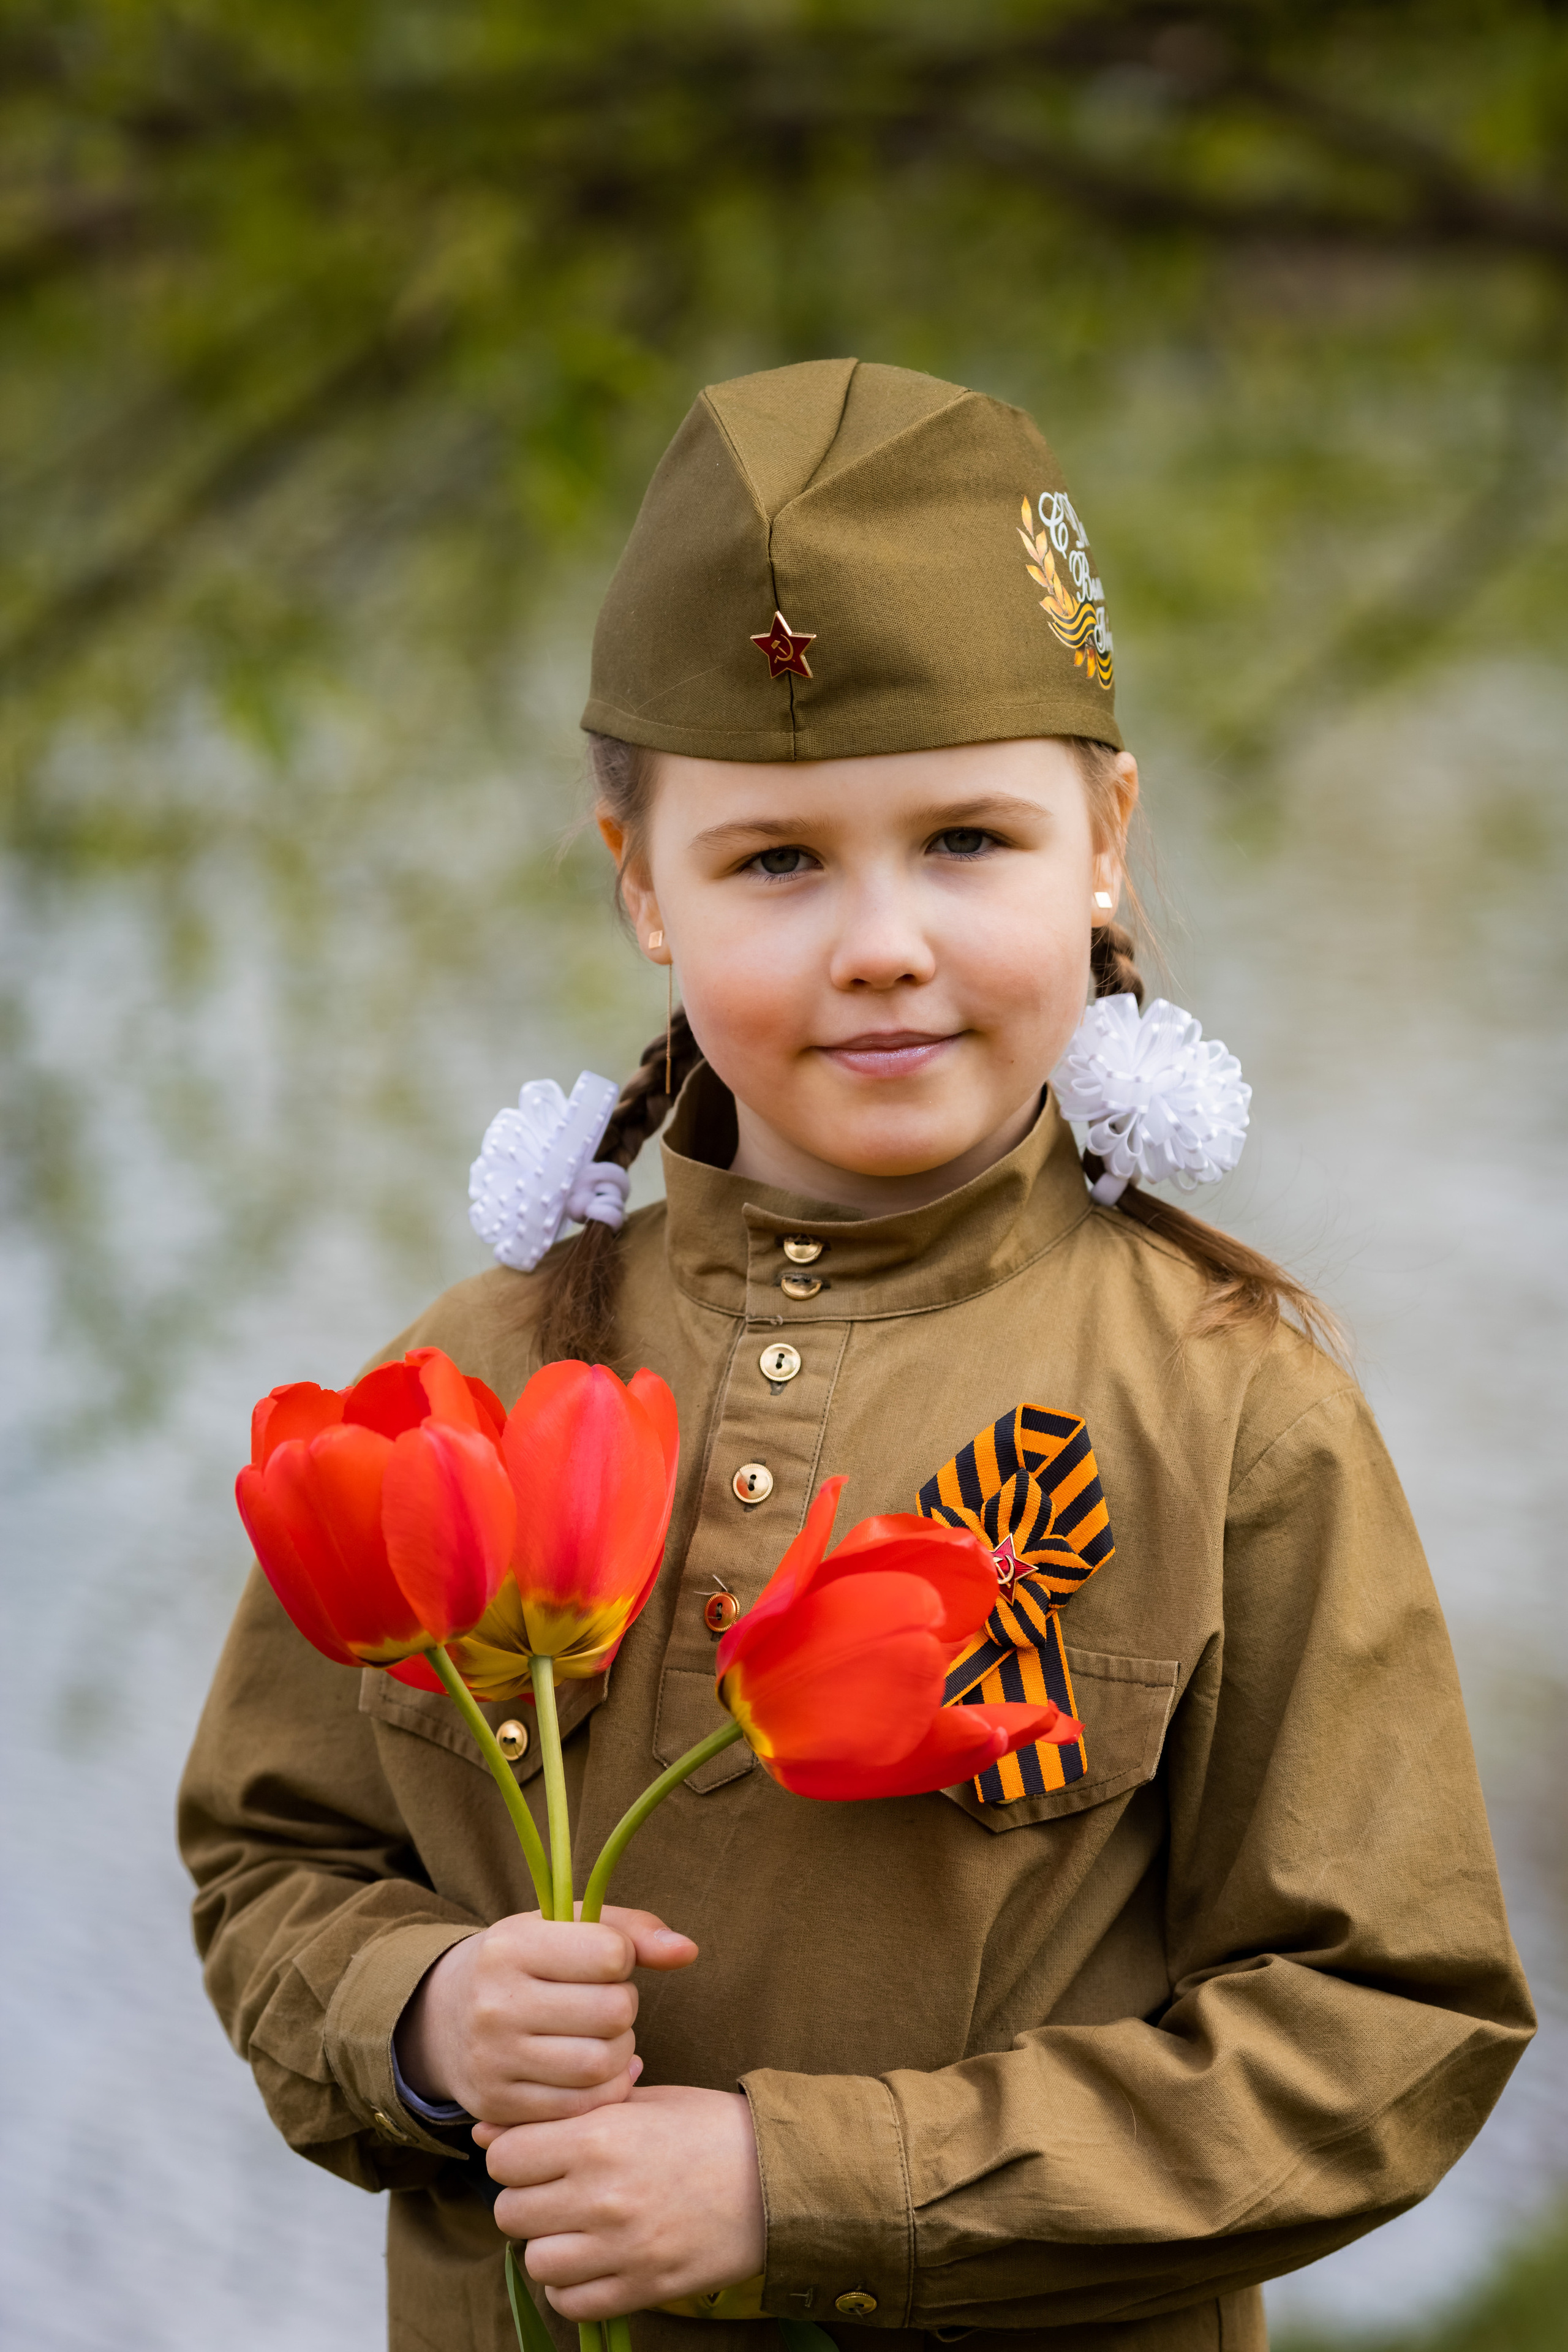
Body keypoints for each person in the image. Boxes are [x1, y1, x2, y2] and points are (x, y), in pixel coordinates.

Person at [179, 358, 1532, 2352]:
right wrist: (421, 2021)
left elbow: (1385, 2034)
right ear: (645, 883)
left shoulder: (1234, 1408)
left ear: (1104, 840)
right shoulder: (464, 1388)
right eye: (778, 862)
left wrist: (798, 2184)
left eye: (967, 840)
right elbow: (271, 1858)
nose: (880, 941)